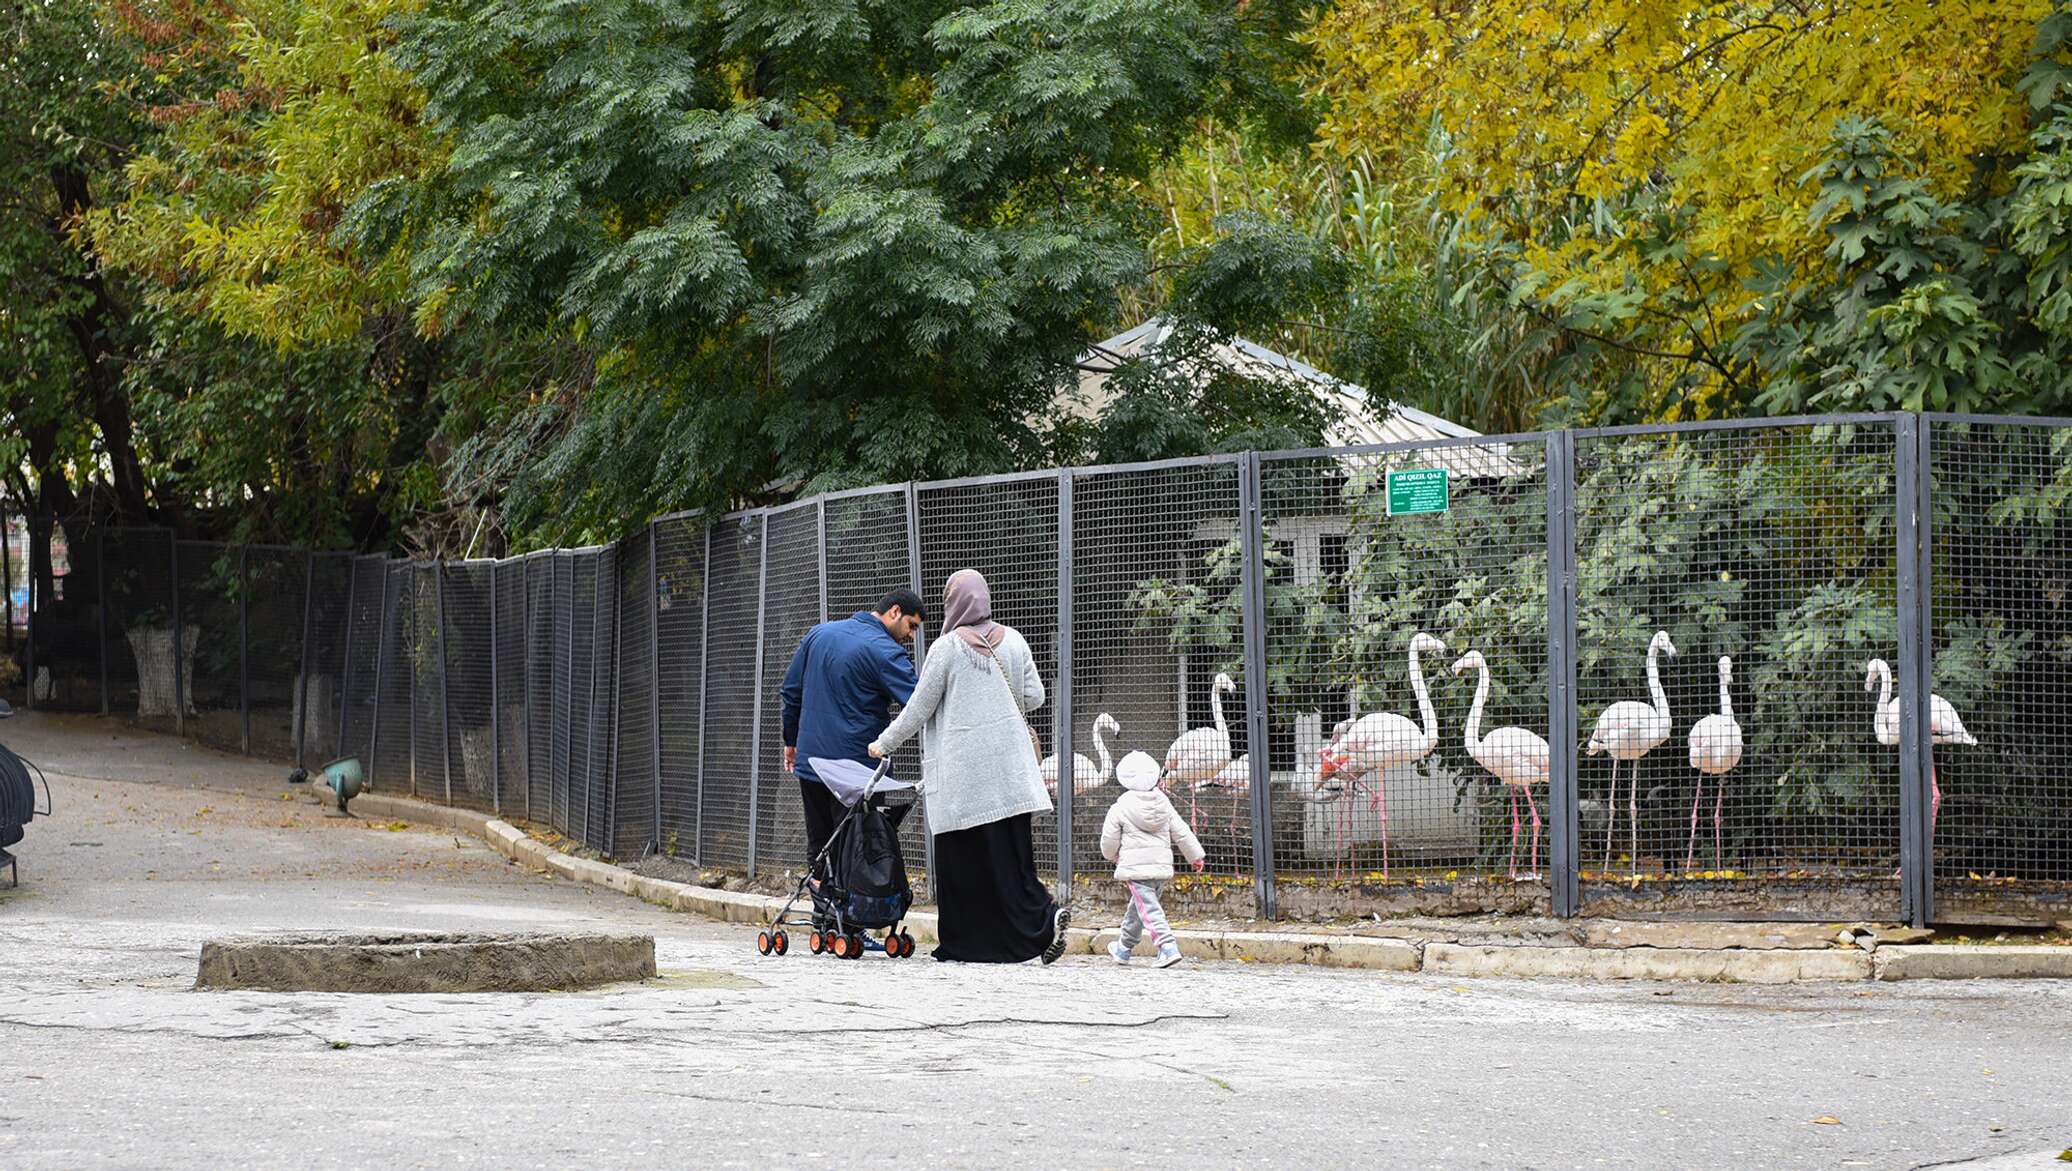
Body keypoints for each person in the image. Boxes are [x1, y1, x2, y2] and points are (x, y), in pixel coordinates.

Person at [868, 569, 1070, 964]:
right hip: (1011, 776)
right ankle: (1042, 922)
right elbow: (1035, 696)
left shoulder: (946, 648)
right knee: (1011, 861)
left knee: (964, 865)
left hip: (965, 779)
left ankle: (969, 944)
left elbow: (919, 708)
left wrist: (883, 743)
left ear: (954, 603)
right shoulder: (1014, 640)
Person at [779, 589, 924, 880]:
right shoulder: (886, 651)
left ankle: (824, 918)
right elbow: (920, 703)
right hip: (857, 771)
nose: (911, 636)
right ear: (894, 612)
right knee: (856, 847)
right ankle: (849, 922)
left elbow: (791, 691)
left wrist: (791, 740)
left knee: (819, 844)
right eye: (912, 626)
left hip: (812, 763)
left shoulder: (818, 634)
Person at [1099, 750, 1205, 968]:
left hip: (1136, 868)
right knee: (1138, 909)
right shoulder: (1164, 803)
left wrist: (1113, 856)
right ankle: (1123, 948)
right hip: (1160, 867)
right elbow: (1181, 831)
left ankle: (1167, 947)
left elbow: (1109, 840)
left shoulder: (1120, 807)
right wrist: (1195, 856)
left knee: (1148, 909)